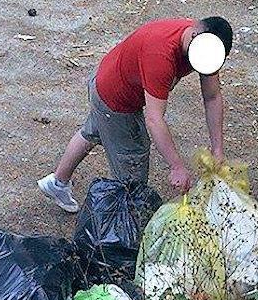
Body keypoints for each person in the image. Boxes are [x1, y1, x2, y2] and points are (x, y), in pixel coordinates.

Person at [38, 16, 233, 212]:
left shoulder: (205, 45)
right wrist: (176, 167)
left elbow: (212, 97)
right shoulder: (161, 55)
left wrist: (217, 150)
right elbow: (154, 119)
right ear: (194, 35)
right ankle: (124, 224)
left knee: (94, 131)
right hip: (115, 99)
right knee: (133, 171)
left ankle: (57, 183)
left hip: (106, 77)